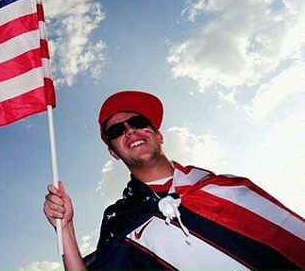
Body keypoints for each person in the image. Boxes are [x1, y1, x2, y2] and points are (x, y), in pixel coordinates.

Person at [43, 90, 305, 271]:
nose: (130, 130)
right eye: (116, 130)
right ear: (113, 152)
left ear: (158, 135)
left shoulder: (228, 188)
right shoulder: (120, 221)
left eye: (138, 122)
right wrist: (65, 228)